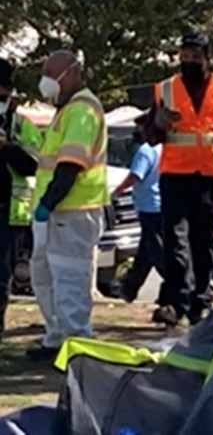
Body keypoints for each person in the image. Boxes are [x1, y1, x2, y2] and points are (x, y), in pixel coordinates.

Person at [146, 34, 213, 326]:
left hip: (212, 176)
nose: (189, 62)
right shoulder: (166, 89)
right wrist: (158, 122)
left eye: (195, 57)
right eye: (184, 56)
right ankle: (177, 301)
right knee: (176, 241)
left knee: (205, 242)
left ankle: (200, 299)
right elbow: (149, 134)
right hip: (175, 175)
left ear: (208, 58)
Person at [29, 51, 108, 361]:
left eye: (51, 72)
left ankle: (76, 344)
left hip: (73, 210)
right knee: (46, 275)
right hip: (57, 211)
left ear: (71, 74)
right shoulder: (67, 110)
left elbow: (70, 166)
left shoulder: (82, 111)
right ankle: (56, 337)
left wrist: (49, 202)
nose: (45, 80)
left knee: (69, 277)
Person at [0, 59, 42, 342]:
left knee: (0, 278)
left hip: (9, 213)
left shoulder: (23, 126)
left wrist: (7, 147)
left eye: (3, 92)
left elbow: (34, 164)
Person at [112, 113, 164, 305]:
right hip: (159, 205)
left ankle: (176, 285)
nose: (137, 131)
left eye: (140, 127)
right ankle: (129, 289)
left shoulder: (146, 151)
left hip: (149, 206)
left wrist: (117, 191)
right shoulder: (162, 148)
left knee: (156, 252)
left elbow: (136, 175)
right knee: (146, 252)